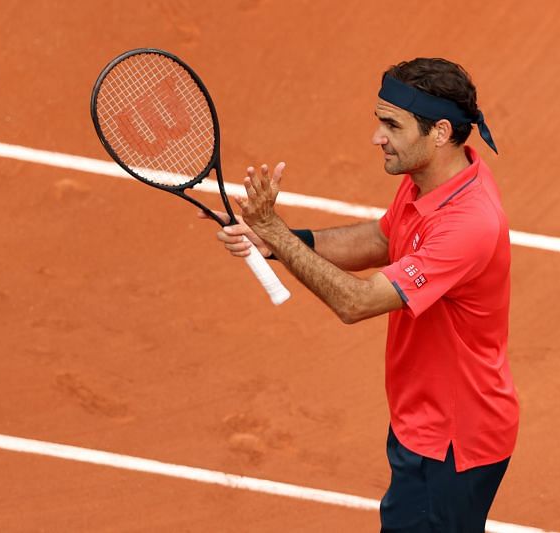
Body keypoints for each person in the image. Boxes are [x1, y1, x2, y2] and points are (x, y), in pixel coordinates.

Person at [206, 58, 519, 533]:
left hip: (451, 441)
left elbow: (357, 302)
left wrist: (280, 237)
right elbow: (380, 239)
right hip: (426, 421)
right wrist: (278, 241)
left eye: (391, 124)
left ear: (438, 132)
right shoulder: (433, 182)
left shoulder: (468, 224)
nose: (378, 136)